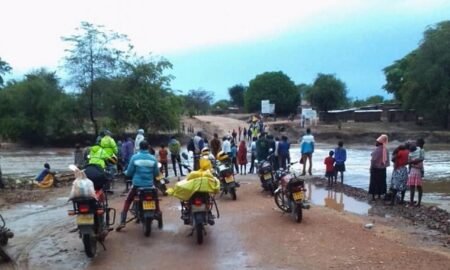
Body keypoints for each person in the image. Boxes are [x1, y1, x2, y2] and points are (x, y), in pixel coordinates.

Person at [117, 140, 160, 230]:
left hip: (137, 185)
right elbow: (156, 173)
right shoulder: (153, 158)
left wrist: (125, 173)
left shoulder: (134, 157)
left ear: (139, 148)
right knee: (155, 199)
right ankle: (158, 212)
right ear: (148, 147)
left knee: (128, 200)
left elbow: (129, 172)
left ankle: (123, 221)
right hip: (149, 185)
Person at [369, 134, 390, 201]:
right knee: (381, 182)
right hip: (383, 169)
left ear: (379, 142)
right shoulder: (386, 150)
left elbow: (373, 160)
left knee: (374, 182)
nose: (376, 142)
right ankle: (379, 196)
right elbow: (387, 161)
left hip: (375, 169)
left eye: (377, 141)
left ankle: (373, 197)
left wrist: (371, 168)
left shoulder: (377, 150)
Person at [407, 139, 425, 207]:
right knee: (413, 186)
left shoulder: (421, 150)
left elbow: (422, 159)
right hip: (415, 170)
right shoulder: (415, 150)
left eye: (417, 143)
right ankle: (412, 202)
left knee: (417, 186)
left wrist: (411, 162)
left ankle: (418, 202)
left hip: (417, 170)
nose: (416, 144)